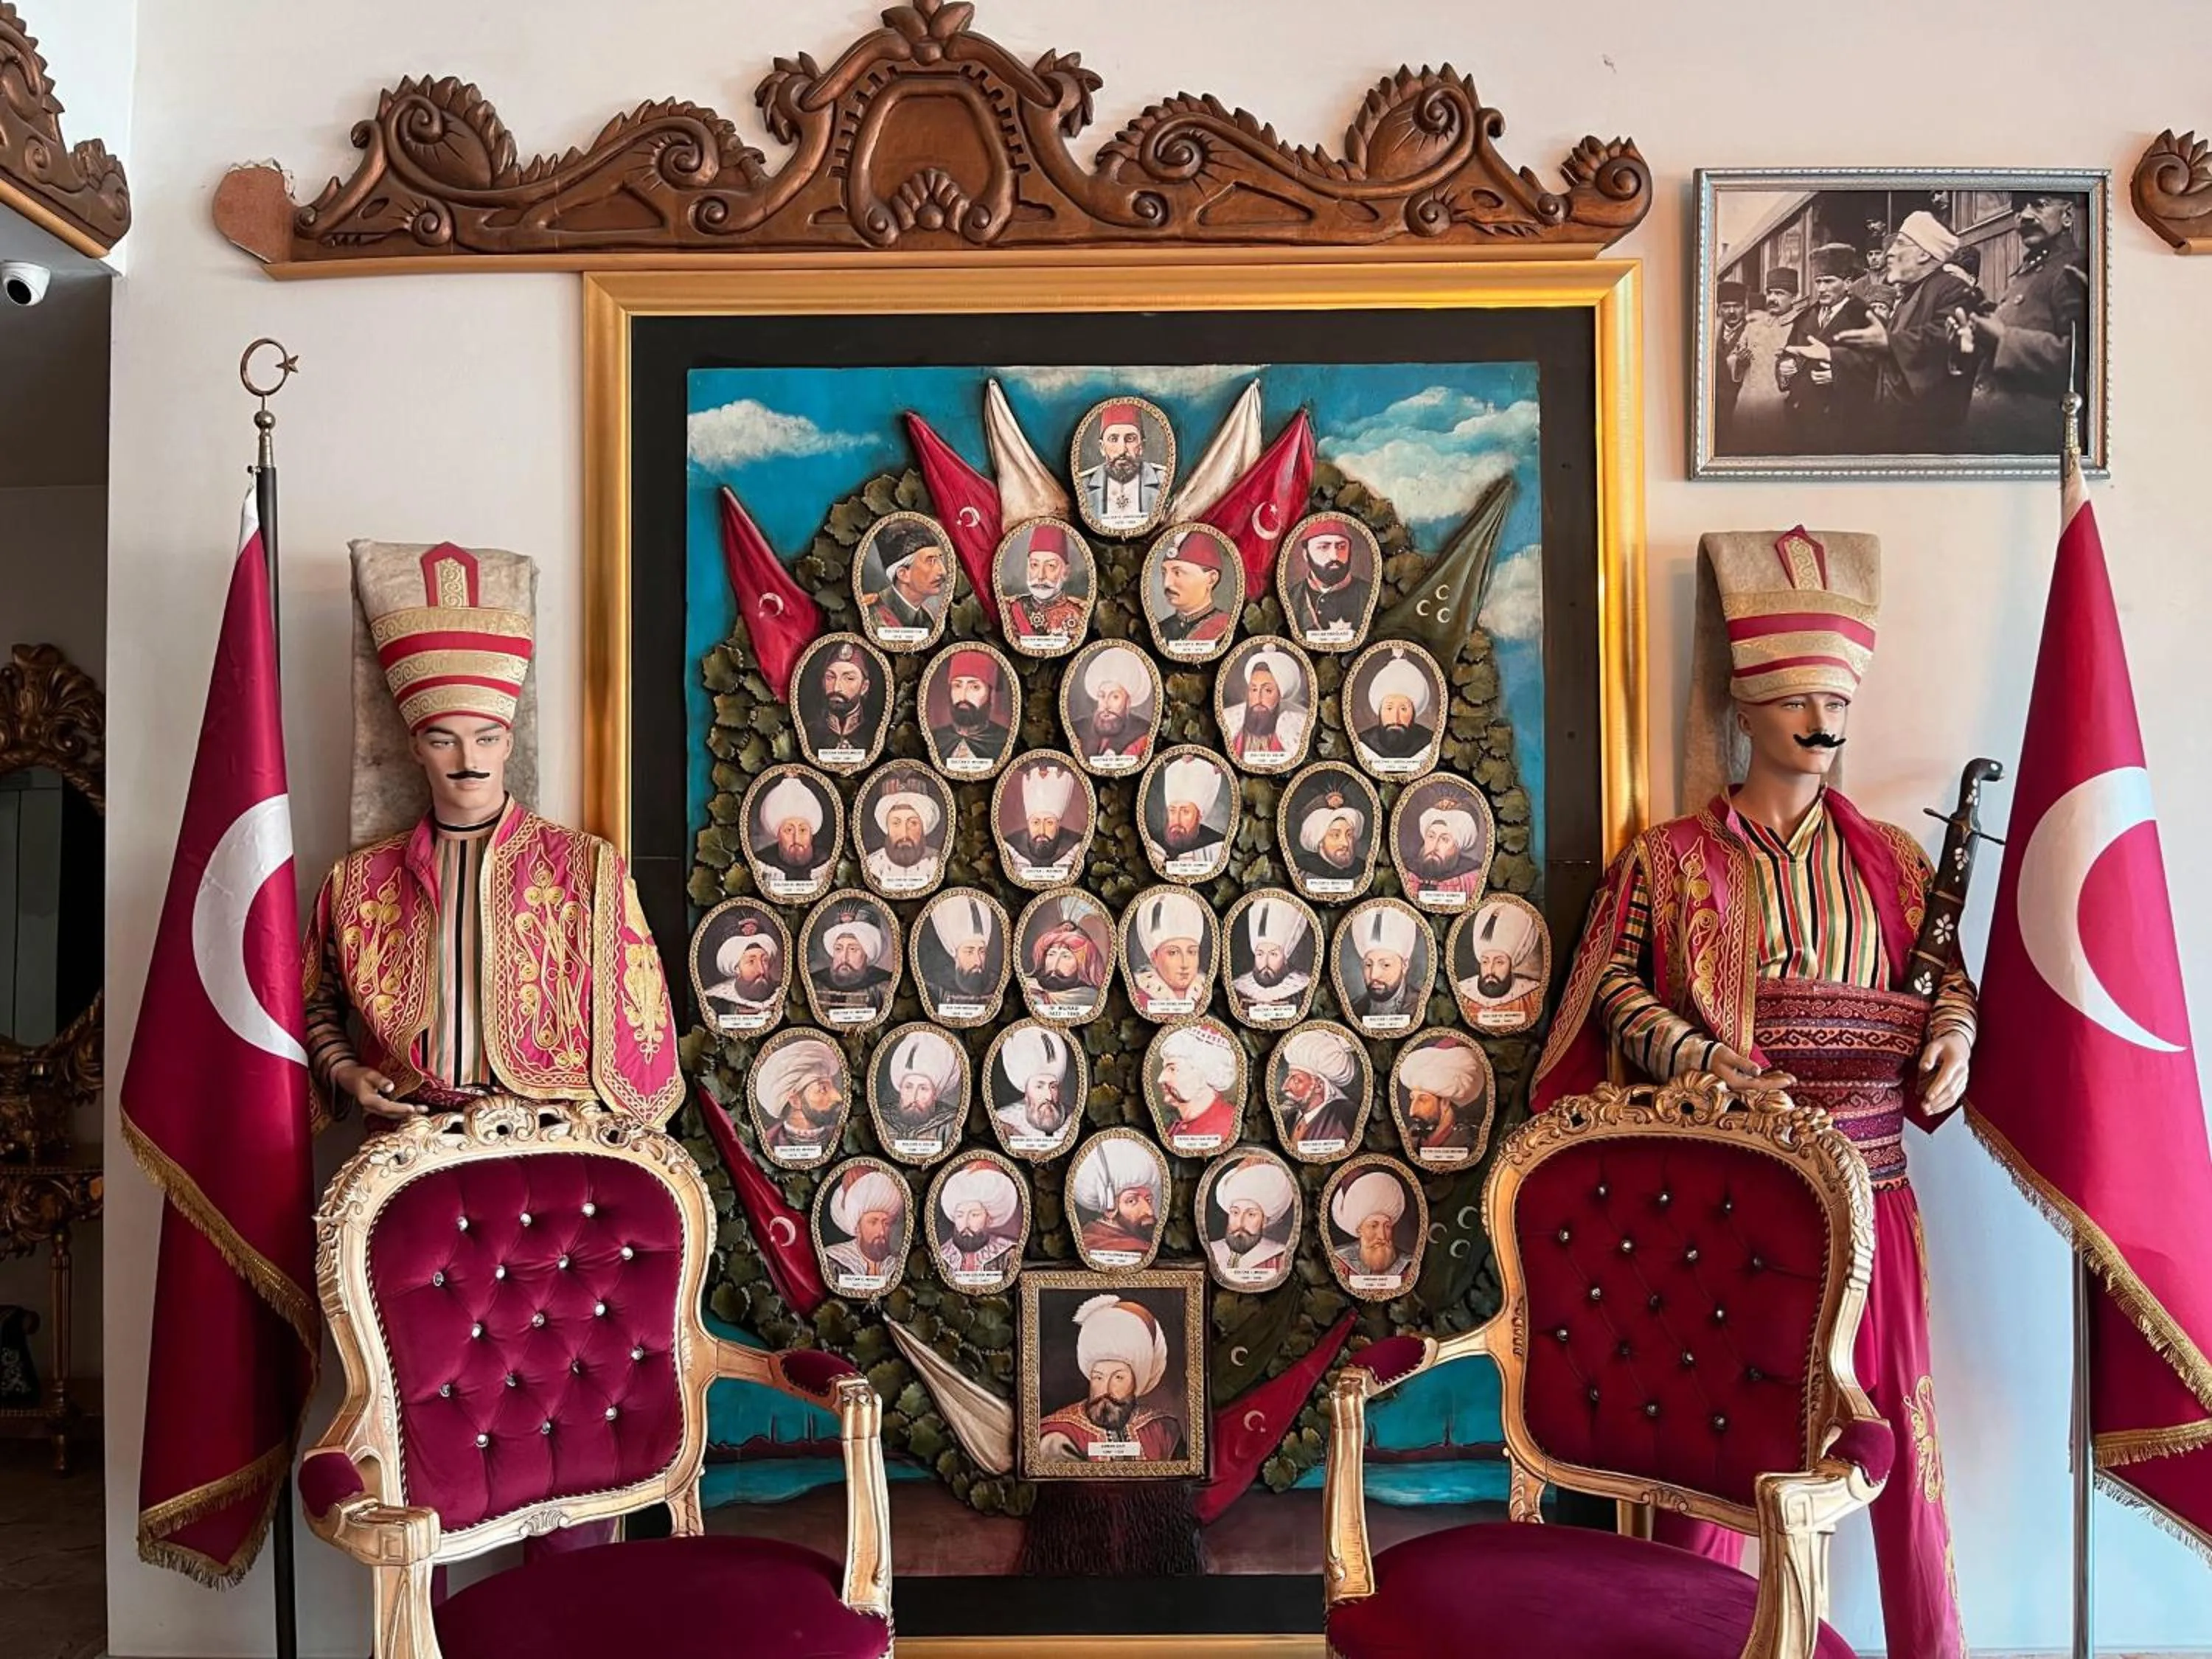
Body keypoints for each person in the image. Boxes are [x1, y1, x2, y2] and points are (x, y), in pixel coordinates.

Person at [1533, 526, 1972, 1659]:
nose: (1823, 719)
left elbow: (1948, 975)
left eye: (1839, 694)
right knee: (1718, 1479)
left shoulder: (1898, 862)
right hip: (1734, 1204)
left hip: (1876, 1193)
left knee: (1906, 1471)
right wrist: (1692, 1053)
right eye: (1796, 697)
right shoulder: (1671, 860)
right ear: (1747, 700)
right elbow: (1607, 984)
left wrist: (1956, 1033)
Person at [304, 543, 681, 1133]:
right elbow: (308, 1000)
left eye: (485, 738)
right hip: (412, 1134)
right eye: (442, 740)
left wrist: (610, 1130)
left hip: (554, 1130)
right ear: (414, 748)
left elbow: (641, 1013)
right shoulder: (359, 881)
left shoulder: (587, 867)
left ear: (507, 743)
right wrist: (347, 1071)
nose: (467, 758)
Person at [1835, 212, 1978, 453]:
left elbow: (1945, 338)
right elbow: (1886, 364)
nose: (1889, 253)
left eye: (1900, 243)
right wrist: (1833, 357)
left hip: (1931, 439)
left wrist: (1890, 343)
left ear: (1924, 253)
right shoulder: (1909, 296)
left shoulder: (1952, 289)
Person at [1961, 191, 2091, 455]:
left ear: (2067, 215)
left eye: (2040, 205)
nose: (2025, 216)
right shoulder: (2023, 274)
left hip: (2033, 444)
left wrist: (2004, 339)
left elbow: (2084, 361)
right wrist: (1974, 339)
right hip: (1997, 438)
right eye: (2019, 209)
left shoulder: (2073, 269)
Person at [1036, 1295, 1186, 1461]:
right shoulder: (1058, 1437)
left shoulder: (1163, 1429)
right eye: (1098, 1378)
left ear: (1135, 1382)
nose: (1105, 1390)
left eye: (1118, 1378)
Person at [1778, 243, 1877, 453]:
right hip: (1800, 418)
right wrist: (1784, 367)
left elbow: (1878, 367)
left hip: (1842, 421)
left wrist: (1840, 374)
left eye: (1829, 281)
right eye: (1818, 281)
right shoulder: (1805, 317)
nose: (1821, 288)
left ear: (1848, 283)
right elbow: (1788, 352)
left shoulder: (1864, 317)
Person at [1728, 266, 1804, 453]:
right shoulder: (1754, 326)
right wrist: (1739, 361)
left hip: (1780, 410)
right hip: (1746, 407)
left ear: (1794, 297)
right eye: (1770, 293)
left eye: (1780, 293)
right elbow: (1733, 357)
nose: (1772, 298)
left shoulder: (1802, 325)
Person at [1455, 897, 1548, 1032]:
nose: (1490, 970)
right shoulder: (1464, 992)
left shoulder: (1531, 994)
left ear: (1512, 965)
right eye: (1485, 961)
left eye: (1499, 962)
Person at [752, 1036, 846, 1161]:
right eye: (823, 1089)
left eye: (832, 1087)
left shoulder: (843, 1139)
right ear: (795, 1100)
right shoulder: (768, 1143)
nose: (839, 1097)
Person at [1077, 403, 1168, 530]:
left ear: (1142, 446)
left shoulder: (1163, 481)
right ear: (1102, 448)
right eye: (1113, 439)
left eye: (1130, 439)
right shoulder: (1083, 485)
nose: (1122, 450)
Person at [1206, 1156, 1297, 1284]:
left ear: (1264, 1221)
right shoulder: (1212, 1251)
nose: (1240, 1223)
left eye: (1251, 1214)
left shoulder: (1279, 1257)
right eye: (1235, 1212)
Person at [1071, 1138, 1164, 1263]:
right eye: (1132, 1201)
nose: (1149, 1211)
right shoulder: (1091, 1244)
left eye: (1148, 1199)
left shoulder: (1145, 1244)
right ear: (1110, 1209)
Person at [1152, 1023, 1241, 1150]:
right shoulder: (1179, 1127)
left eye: (1172, 1069)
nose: (1161, 1079)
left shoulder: (1226, 1124)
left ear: (1204, 1072)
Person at [1397, 1038, 1488, 1161]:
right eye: (1412, 1099)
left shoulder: (1470, 1140)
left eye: (1423, 1100)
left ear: (1445, 1103)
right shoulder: (1412, 1138)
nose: (1412, 1112)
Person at [1126, 888, 1211, 1018]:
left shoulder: (1203, 996)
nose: (1184, 964)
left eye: (1192, 952)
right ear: (1154, 958)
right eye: (1173, 952)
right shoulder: (1143, 999)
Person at [861, 519, 951, 641]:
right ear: (903, 574)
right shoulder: (871, 613)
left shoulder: (926, 620)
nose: (943, 571)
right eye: (931, 561)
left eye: (940, 560)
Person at [821, 1164, 907, 1291]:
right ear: (857, 1228)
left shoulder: (897, 1263)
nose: (881, 1231)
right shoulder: (834, 1260)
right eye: (873, 1222)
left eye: (886, 1223)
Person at [877, 1026, 964, 1151]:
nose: (914, 1097)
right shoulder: (882, 1119)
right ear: (900, 1088)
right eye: (908, 1087)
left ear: (935, 1094)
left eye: (923, 1088)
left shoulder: (949, 1124)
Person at [1276, 1026, 1360, 1152]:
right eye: (1288, 1078)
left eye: (1296, 1080)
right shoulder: (1292, 1118)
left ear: (1319, 1086)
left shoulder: (1342, 1118)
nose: (1285, 1087)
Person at [1285, 518, 1368, 645]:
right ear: (1306, 555)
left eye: (1341, 547)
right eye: (1324, 547)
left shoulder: (1367, 594)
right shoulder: (1293, 597)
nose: (1334, 556)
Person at [936, 1160, 1023, 1282]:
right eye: (960, 1215)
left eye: (974, 1215)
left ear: (988, 1218)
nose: (965, 1224)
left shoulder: (1008, 1254)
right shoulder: (941, 1255)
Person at [1070, 645, 1155, 768]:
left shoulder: (1143, 733)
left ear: (1128, 702)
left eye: (1115, 697)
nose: (1106, 705)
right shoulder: (1077, 728)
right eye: (1102, 696)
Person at [993, 1024, 1077, 1149]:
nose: (1048, 1096)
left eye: (1053, 1087)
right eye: (1039, 1087)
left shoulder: (1073, 1120)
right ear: (1026, 1093)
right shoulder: (1003, 1120)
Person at [1221, 647, 1308, 764]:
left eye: (1267, 690)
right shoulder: (1228, 719)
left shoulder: (1299, 724)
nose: (1258, 698)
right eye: (1254, 689)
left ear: (1280, 695)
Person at [800, 639, 883, 763]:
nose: (836, 687)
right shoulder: (810, 731)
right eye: (830, 677)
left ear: (864, 687)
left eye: (849, 678)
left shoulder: (875, 732)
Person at [1151, 529, 1234, 652]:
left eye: (1178, 572)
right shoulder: (1161, 630)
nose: (1167, 583)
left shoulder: (1226, 627)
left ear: (1211, 579)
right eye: (1164, 573)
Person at [1354, 649, 1437, 771]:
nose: (1395, 718)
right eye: (1389, 708)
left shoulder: (1430, 743)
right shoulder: (1363, 743)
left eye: (1403, 709)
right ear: (1380, 711)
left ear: (1414, 713)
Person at [1005, 521, 1087, 645]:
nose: (1040, 576)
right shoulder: (1009, 610)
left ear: (1065, 572)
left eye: (1051, 566)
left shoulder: (1079, 613)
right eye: (1034, 565)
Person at [1343, 903, 1425, 1029]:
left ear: (1404, 965)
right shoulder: (1354, 1008)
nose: (1374, 975)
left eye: (1385, 965)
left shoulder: (1420, 1004)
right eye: (1368, 964)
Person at [1329, 1171, 1413, 1290]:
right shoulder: (1339, 1262)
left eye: (1387, 1226)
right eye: (1373, 1226)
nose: (1382, 1236)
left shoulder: (1408, 1265)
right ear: (1359, 1230)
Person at [1020, 906, 1111, 1016]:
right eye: (1051, 954)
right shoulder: (1029, 988)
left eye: (1065, 956)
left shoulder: (1090, 998)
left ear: (1084, 964)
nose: (1055, 964)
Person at [1232, 894, 1312, 1016]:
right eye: (1260, 954)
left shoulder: (1301, 987)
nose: (1265, 962)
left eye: (1273, 954)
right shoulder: (1239, 988)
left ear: (1285, 958)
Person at [1401, 790, 1488, 902]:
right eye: (1431, 836)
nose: (1435, 846)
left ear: (1458, 846)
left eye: (1445, 839)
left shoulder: (1472, 878)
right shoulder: (1406, 871)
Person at [813, 904, 894, 1022]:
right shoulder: (815, 982)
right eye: (839, 949)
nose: (844, 958)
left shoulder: (883, 986)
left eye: (853, 949)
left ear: (867, 954)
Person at [1150, 752, 1228, 876]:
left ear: (1199, 816)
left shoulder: (1217, 846)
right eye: (1173, 810)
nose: (1177, 820)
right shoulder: (1153, 842)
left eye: (1185, 811)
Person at [1006, 759, 1085, 882]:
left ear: (1058, 824)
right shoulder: (1010, 847)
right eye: (1036, 822)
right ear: (1028, 823)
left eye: (1049, 823)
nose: (1041, 831)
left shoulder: (1076, 847)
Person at [933, 648, 1011, 771]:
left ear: (990, 695)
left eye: (975, 687)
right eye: (957, 686)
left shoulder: (1004, 740)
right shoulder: (935, 738)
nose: (963, 696)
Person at [751, 773, 831, 891]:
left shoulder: (826, 861)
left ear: (811, 833)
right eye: (789, 830)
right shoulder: (761, 864)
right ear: (778, 834)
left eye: (803, 830)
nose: (796, 839)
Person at [923, 891, 1000, 1013]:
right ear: (954, 952)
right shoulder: (934, 988)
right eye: (969, 951)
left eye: (982, 951)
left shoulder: (997, 983)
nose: (978, 961)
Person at [700, 917, 782, 1025]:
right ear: (736, 969)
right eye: (751, 962)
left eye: (765, 961)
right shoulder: (716, 1000)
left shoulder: (780, 994)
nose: (761, 970)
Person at [864, 779, 942, 894]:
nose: (904, 834)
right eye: (896, 823)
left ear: (923, 827)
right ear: (887, 827)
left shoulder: (938, 864)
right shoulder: (871, 865)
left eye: (913, 823)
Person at [1293, 790, 1368, 891]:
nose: (1345, 843)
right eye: (1336, 835)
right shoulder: (1301, 870)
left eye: (1349, 835)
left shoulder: (1362, 869)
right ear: (1319, 841)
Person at [1712, 278, 1750, 451]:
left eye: (1737, 306)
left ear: (1745, 307)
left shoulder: (1755, 332)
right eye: (1726, 307)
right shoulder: (1709, 334)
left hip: (1743, 409)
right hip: (1715, 412)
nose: (1732, 311)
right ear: (1719, 309)